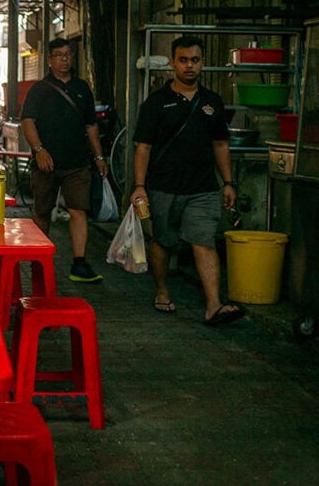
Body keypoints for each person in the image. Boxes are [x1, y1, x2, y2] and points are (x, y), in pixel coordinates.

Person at [131, 35, 245, 325]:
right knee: (163, 241)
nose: (189, 66)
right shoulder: (156, 103)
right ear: (172, 63)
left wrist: (228, 182)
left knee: (204, 241)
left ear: (202, 62)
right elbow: (143, 147)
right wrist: (140, 186)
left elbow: (220, 144)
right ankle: (162, 290)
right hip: (163, 187)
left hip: (203, 188)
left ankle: (213, 305)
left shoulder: (212, 102)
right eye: (183, 60)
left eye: (195, 60)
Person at [20, 38, 108, 283]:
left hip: (78, 162)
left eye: (68, 54)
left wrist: (99, 156)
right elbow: (27, 121)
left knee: (78, 211)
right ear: (49, 59)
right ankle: (38, 259)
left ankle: (79, 264)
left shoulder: (82, 88)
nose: (64, 59)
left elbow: (91, 125)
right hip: (46, 163)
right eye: (59, 55)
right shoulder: (40, 89)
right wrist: (39, 150)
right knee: (42, 212)